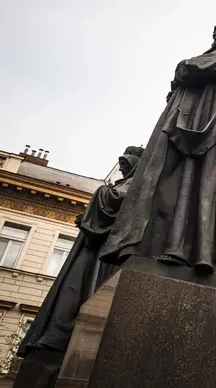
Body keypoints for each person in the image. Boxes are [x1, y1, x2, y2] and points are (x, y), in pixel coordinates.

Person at [100, 21, 216, 272]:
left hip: (199, 124)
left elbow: (194, 68)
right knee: (194, 186)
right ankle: (189, 249)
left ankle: (177, 247)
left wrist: (181, 68)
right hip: (210, 125)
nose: (214, 38)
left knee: (173, 180)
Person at [17, 146, 143, 358]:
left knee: (78, 290)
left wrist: (98, 199)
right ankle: (55, 336)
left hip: (102, 251)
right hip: (92, 247)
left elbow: (113, 201)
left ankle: (60, 336)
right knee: (72, 290)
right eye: (121, 163)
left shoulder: (136, 183)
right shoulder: (127, 183)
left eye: (126, 163)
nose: (121, 168)